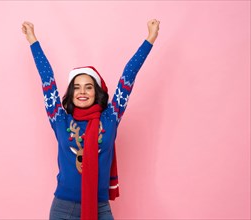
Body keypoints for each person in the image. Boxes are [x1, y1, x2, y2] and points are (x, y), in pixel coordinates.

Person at [21, 19, 160, 220]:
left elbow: (128, 76)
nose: (82, 92)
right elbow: (46, 78)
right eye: (76, 87)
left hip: (100, 208)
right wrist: (33, 41)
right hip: (63, 209)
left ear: (97, 92)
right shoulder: (60, 119)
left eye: (88, 87)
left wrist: (150, 39)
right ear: (71, 93)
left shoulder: (110, 118)